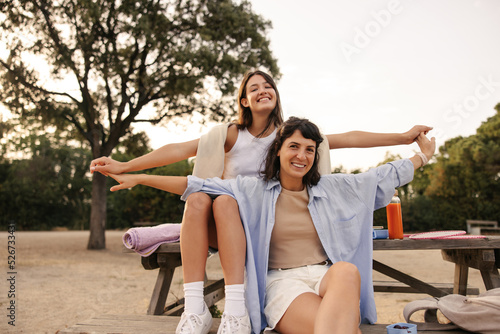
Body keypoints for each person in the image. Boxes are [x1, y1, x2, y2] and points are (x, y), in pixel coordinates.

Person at [91, 70, 431, 334]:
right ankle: (204, 307)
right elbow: (183, 159)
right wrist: (131, 170)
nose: (301, 154)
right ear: (243, 101)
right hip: (251, 233)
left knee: (344, 274)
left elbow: (360, 155)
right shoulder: (234, 145)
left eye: (309, 149)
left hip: (310, 262)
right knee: (211, 198)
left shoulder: (305, 154)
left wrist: (408, 144)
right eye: (253, 88)